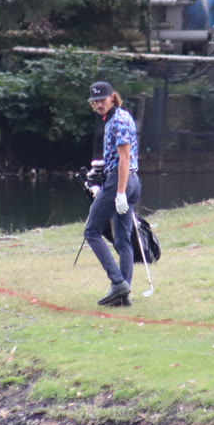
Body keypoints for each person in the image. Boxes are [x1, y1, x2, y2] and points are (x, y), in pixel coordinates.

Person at [83, 81, 141, 306]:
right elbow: (119, 157)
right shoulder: (117, 117)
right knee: (122, 239)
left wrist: (120, 192)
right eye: (95, 101)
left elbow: (125, 158)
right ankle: (122, 296)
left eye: (102, 100)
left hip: (121, 181)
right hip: (131, 180)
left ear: (112, 97)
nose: (99, 104)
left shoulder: (118, 121)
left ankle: (118, 282)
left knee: (91, 231)